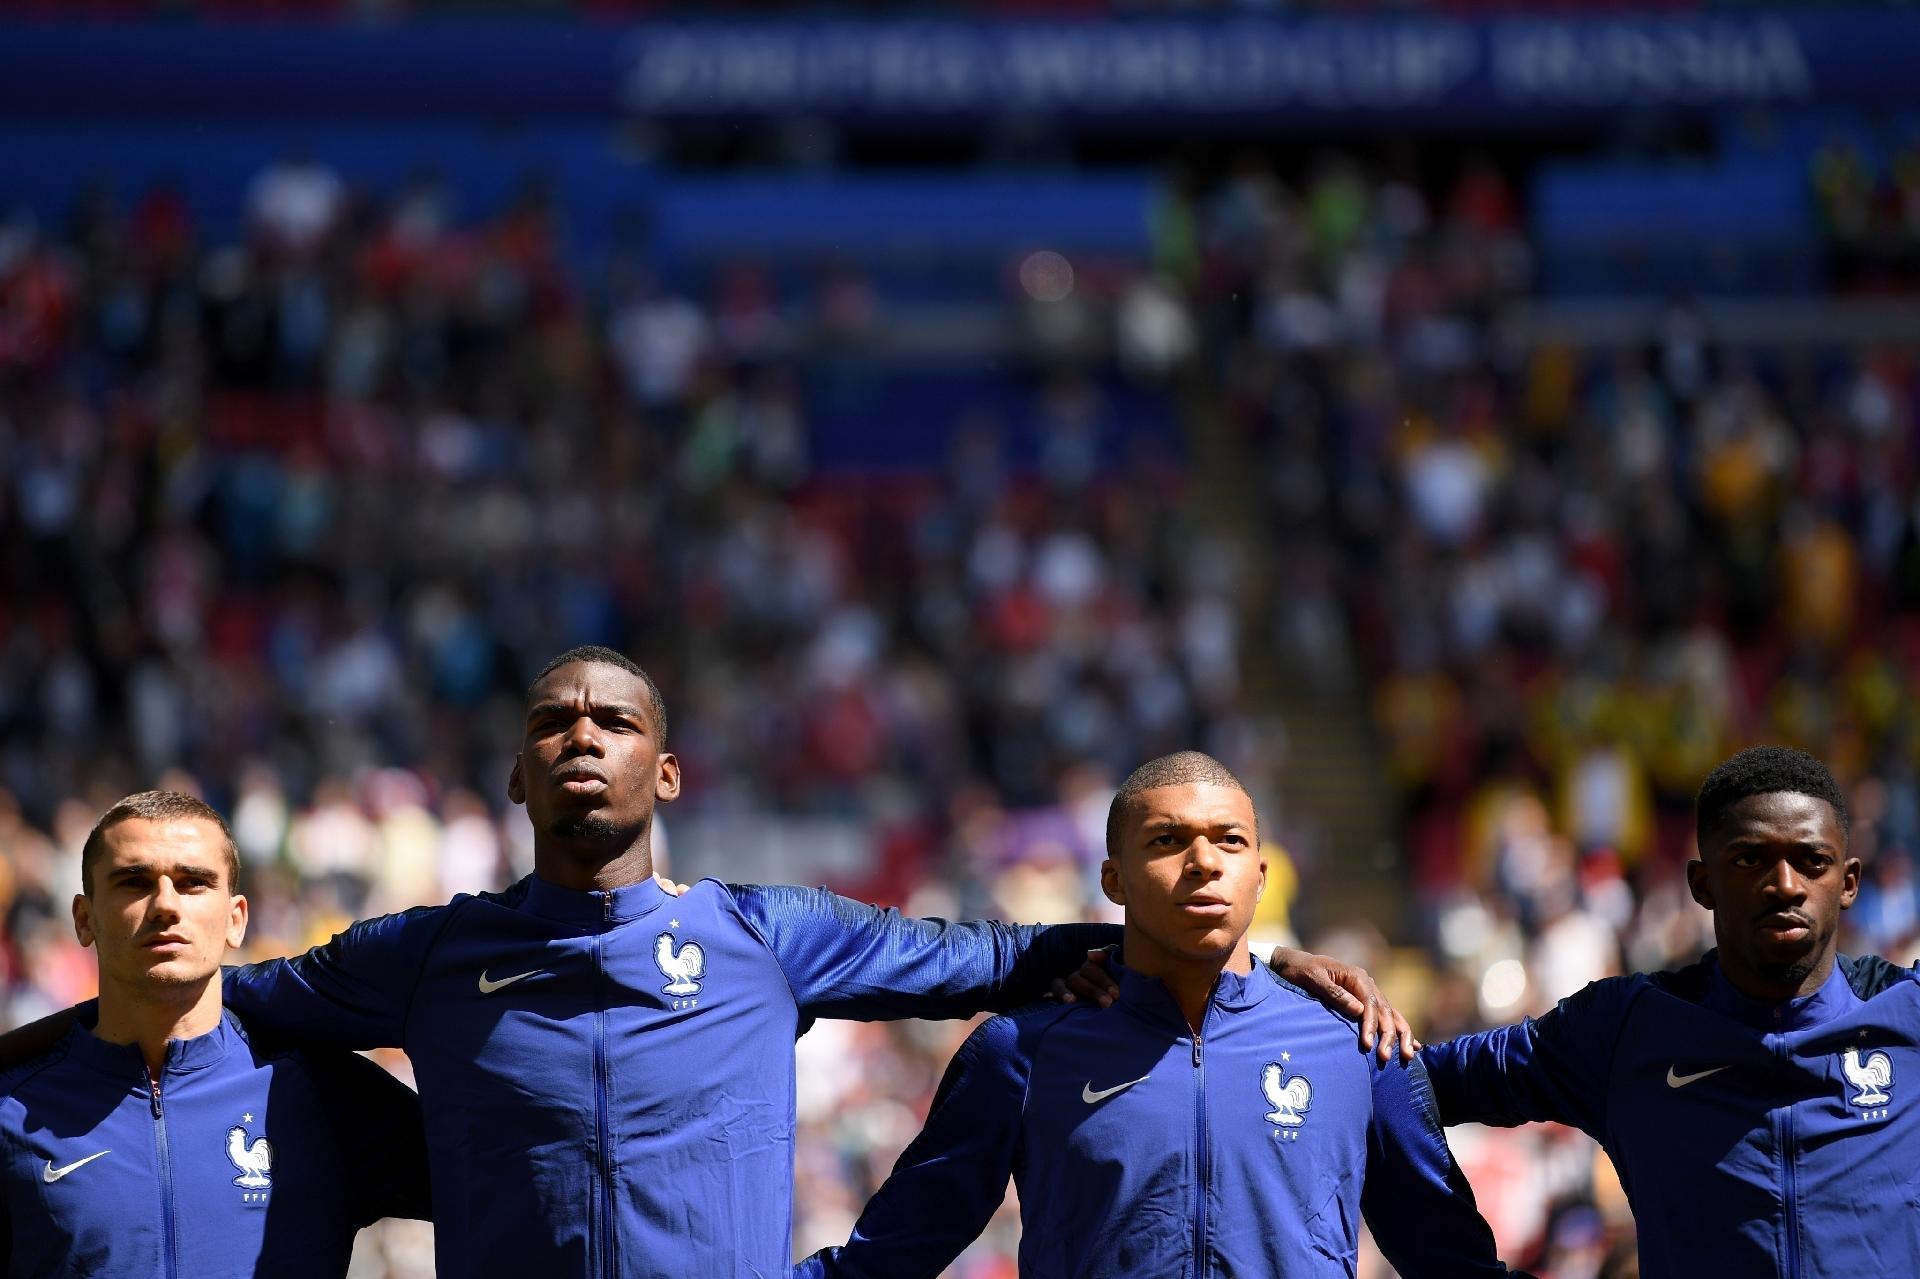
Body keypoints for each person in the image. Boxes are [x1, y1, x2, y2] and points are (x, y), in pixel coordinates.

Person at [799, 751, 1514, 1278]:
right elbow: (885, 1260)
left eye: (1229, 840)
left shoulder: (1357, 1049)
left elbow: (1454, 1264)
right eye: (1167, 840)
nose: (1203, 861)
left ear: (1261, 873)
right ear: (1112, 876)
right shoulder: (1020, 1053)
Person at [1420, 745, 1920, 1277]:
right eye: (1751, 859)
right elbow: (1408, 1085)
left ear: (1848, 883)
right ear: (1701, 885)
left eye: (1812, 861)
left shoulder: (1908, 1015)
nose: (1785, 885)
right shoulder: (1627, 1030)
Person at [0, 791, 430, 1278]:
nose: (165, 904)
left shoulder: (325, 1094)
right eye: (134, 882)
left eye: (193, 883)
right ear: (84, 918)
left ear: (236, 918)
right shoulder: (13, 1112)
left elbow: (506, 1188)